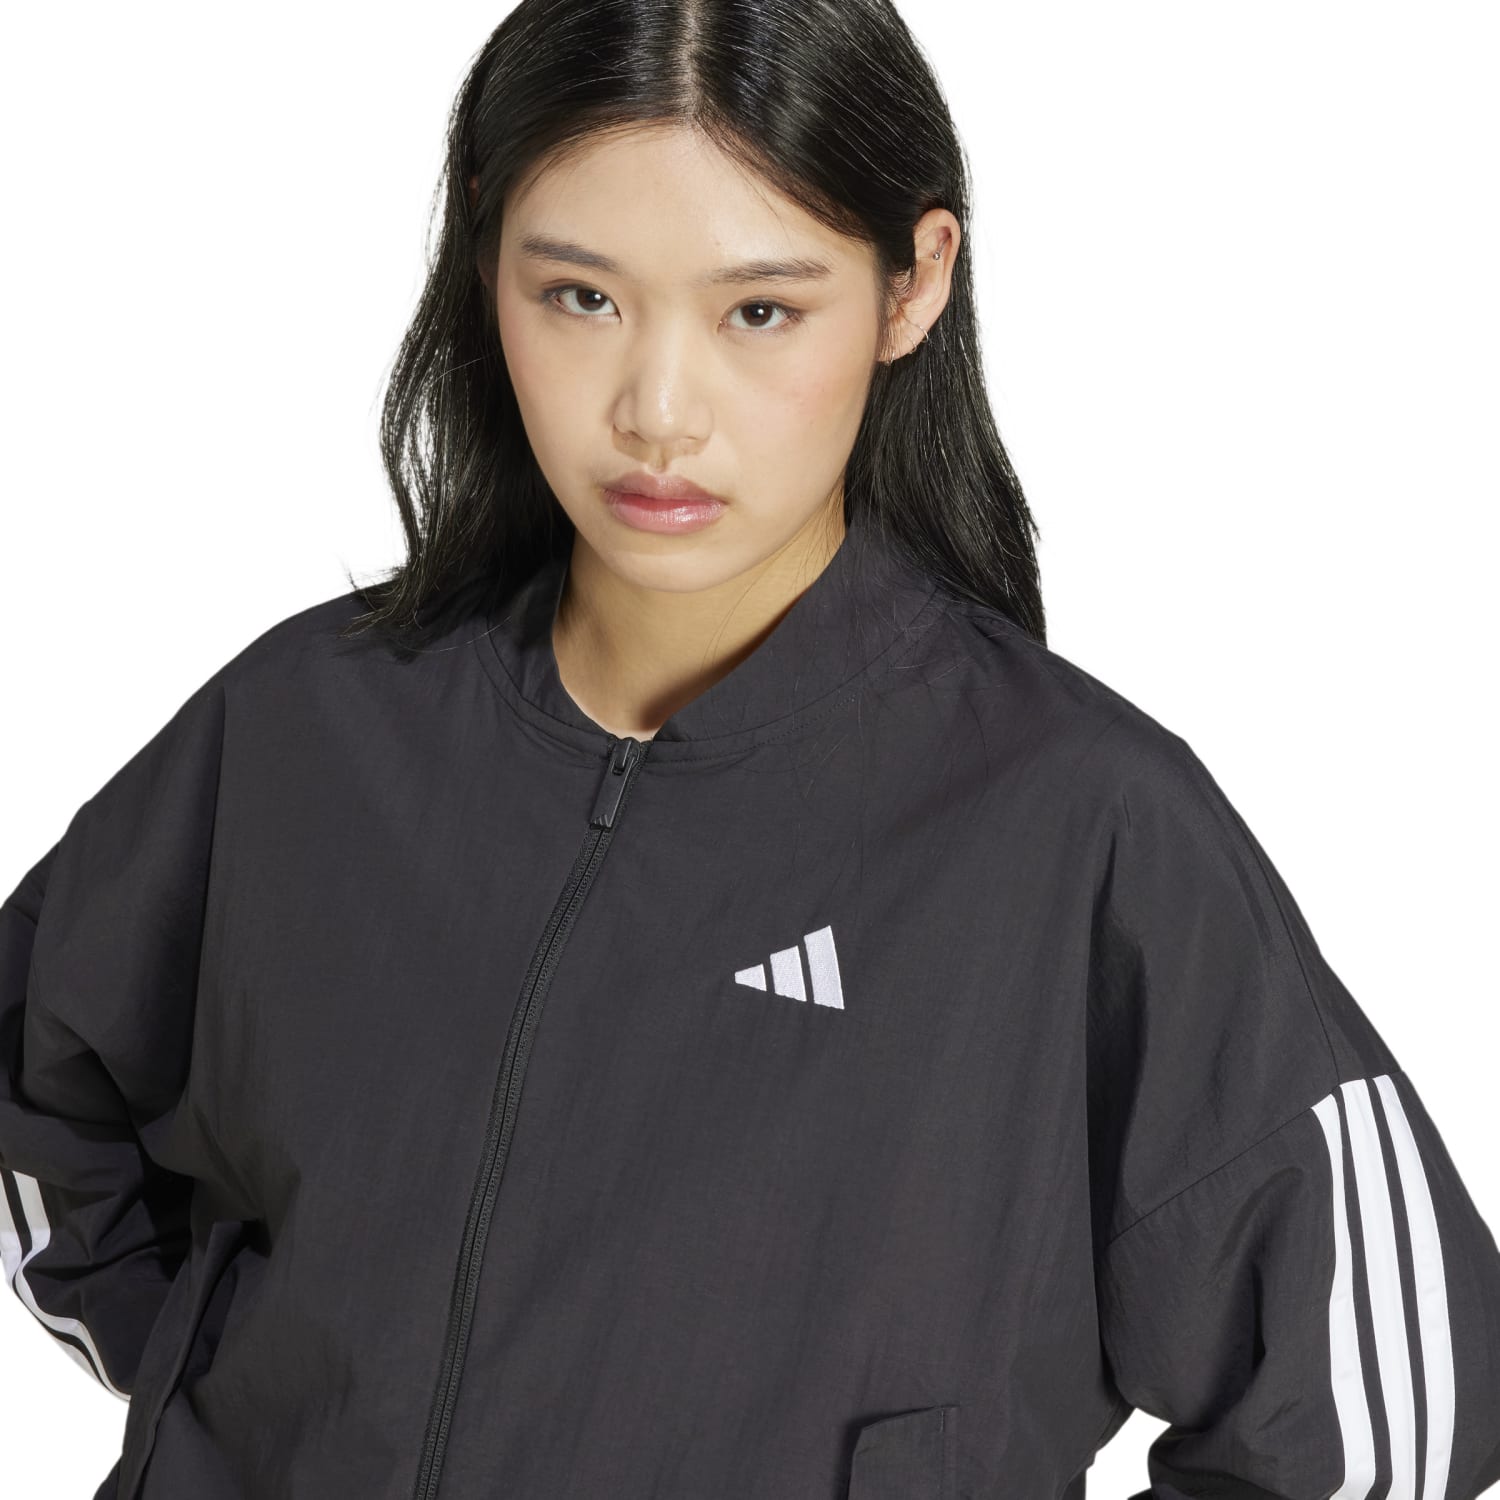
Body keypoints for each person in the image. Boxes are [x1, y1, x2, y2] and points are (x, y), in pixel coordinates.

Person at [3, 1, 1498, 1497]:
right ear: (485, 252)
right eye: (580, 296)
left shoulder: (1074, 824)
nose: (657, 414)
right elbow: (33, 1076)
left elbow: (1392, 1420)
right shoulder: (308, 730)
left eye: (760, 312)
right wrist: (212, 1395)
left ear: (914, 284)